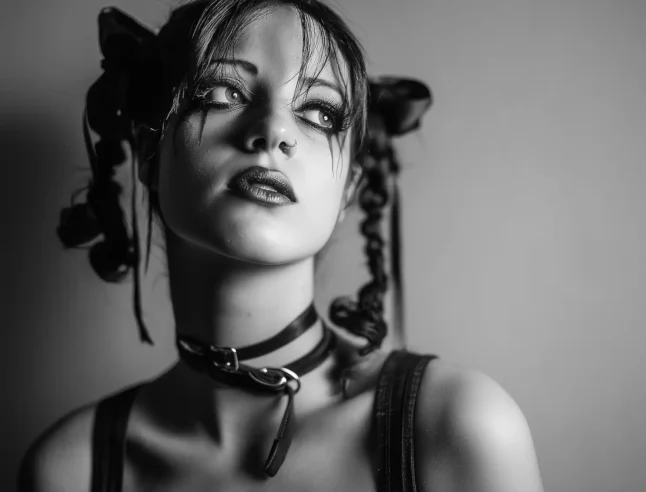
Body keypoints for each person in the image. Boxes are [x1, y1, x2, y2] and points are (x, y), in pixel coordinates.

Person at [19, 1, 544, 490]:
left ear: (349, 189)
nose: (274, 130)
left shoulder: (458, 424)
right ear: (151, 152)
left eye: (320, 113)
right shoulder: (71, 470)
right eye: (223, 92)